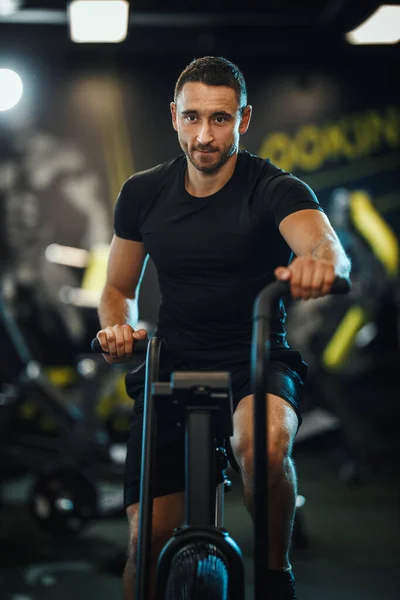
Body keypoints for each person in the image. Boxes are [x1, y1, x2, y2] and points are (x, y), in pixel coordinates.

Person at [96, 56, 351, 600]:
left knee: (261, 446)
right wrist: (118, 329)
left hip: (254, 355)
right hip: (171, 358)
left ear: (244, 119)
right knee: (147, 547)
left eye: (219, 119)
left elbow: (327, 246)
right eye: (192, 118)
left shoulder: (273, 187)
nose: (204, 135)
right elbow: (117, 289)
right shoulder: (143, 193)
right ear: (173, 117)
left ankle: (276, 575)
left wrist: (321, 265)